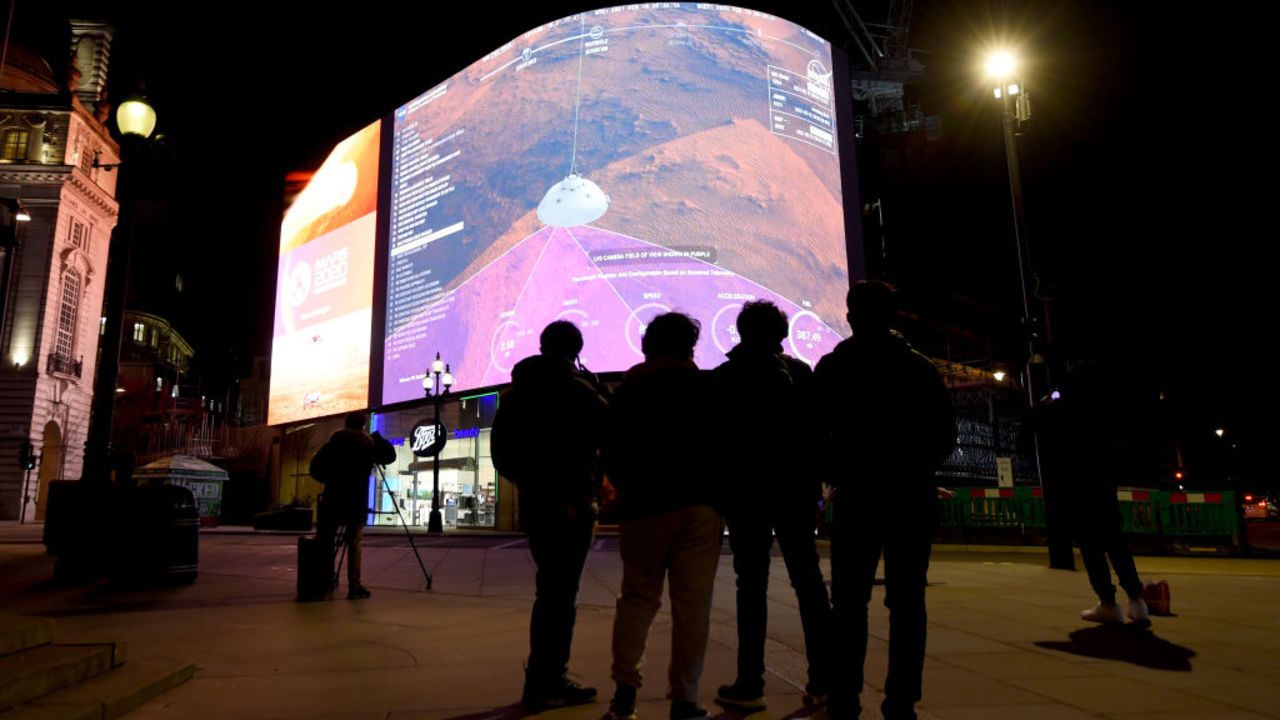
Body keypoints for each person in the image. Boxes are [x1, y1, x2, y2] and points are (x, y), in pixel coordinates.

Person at [811, 281, 955, 720]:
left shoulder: (834, 368)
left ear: (851, 316)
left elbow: (814, 435)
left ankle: (844, 698)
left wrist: (840, 472)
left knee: (849, 604)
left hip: (858, 498)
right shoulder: (921, 369)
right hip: (911, 497)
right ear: (895, 318)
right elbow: (944, 439)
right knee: (909, 603)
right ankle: (901, 701)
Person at [710, 301, 833, 710]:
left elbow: (715, 446)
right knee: (809, 583)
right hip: (794, 492)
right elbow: (818, 434)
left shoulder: (724, 378)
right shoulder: (800, 374)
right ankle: (823, 680)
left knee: (752, 587)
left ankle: (750, 682)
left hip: (745, 496)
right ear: (780, 335)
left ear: (741, 332)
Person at [602, 312, 721, 720]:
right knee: (693, 607)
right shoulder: (705, 386)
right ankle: (685, 699)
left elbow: (611, 451)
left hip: (644, 506)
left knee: (637, 598)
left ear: (646, 346)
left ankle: (625, 694)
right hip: (699, 505)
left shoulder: (628, 392)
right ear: (689, 348)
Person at [492, 321, 610, 712]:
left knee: (550, 594)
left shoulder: (516, 394)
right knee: (562, 597)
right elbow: (611, 428)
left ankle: (539, 681)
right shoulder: (577, 390)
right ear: (576, 350)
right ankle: (549, 681)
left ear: (542, 346)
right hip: (572, 505)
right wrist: (598, 388)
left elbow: (501, 456)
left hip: (539, 507)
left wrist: (533, 486)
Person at [1033, 361, 1150, 626]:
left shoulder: (1062, 409)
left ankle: (1108, 602)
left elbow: (1037, 419)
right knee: (1116, 543)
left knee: (1091, 546)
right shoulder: (1104, 411)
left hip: (1076, 484)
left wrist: (1049, 399)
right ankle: (1137, 600)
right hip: (1103, 483)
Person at [310, 411, 396, 600]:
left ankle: (324, 582)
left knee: (327, 541)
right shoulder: (365, 445)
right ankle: (354, 585)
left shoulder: (332, 444)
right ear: (363, 426)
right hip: (356, 500)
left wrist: (331, 480)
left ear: (345, 424)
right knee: (354, 542)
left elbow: (314, 468)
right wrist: (377, 438)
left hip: (332, 499)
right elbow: (390, 456)